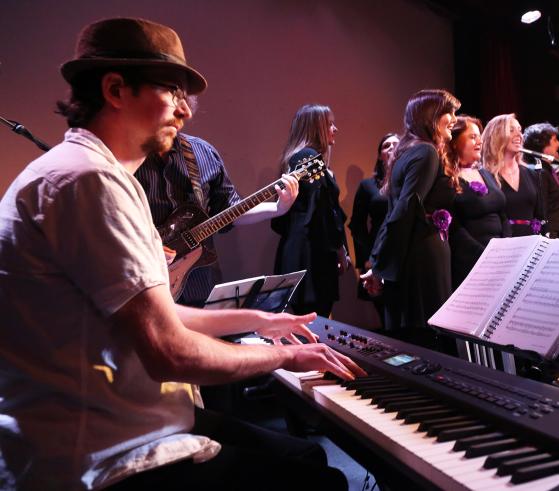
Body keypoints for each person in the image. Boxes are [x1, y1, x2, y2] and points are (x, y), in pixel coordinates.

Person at [0, 18, 364, 490]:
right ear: (115, 89)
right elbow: (168, 350)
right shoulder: (87, 180)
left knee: (306, 457)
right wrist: (283, 359)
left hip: (121, 428)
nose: (184, 111)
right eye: (171, 91)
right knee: (315, 476)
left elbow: (159, 313)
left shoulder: (88, 173)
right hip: (99, 454)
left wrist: (257, 322)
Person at [135, 129, 300, 307]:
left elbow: (230, 211)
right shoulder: (124, 154)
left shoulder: (203, 152)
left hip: (198, 282)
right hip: (141, 279)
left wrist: (278, 208)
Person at [362, 89, 461, 350]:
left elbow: (397, 211)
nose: (454, 119)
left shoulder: (411, 151)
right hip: (422, 257)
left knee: (414, 341)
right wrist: (380, 265)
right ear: (431, 116)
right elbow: (404, 210)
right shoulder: (426, 152)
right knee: (425, 341)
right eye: (448, 113)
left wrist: (378, 262)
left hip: (414, 254)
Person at [272, 104, 350, 318]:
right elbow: (324, 214)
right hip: (312, 255)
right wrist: (340, 249)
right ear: (315, 128)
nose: (335, 129)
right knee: (314, 323)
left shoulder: (296, 158)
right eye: (329, 124)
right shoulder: (307, 157)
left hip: (301, 251)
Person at [447, 115, 507, 287]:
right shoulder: (448, 178)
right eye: (472, 137)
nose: (479, 141)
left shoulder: (486, 174)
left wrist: (507, 250)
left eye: (479, 136)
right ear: (454, 142)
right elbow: (454, 227)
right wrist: (485, 257)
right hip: (471, 262)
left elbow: (502, 214)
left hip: (501, 260)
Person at [348, 133, 399, 325]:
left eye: (396, 144)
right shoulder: (368, 185)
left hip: (404, 254)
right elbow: (356, 225)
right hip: (378, 254)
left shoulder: (410, 180)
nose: (392, 147)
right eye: (386, 145)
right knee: (385, 315)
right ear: (380, 155)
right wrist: (367, 258)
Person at [482, 114, 545, 237]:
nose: (519, 135)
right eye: (511, 130)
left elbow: (540, 215)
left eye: (519, 130)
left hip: (530, 243)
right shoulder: (485, 176)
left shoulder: (532, 174)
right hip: (502, 244)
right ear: (497, 136)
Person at [522, 122, 559, 238]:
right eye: (554, 140)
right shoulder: (538, 172)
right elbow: (541, 211)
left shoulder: (548, 170)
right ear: (541, 144)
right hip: (551, 237)